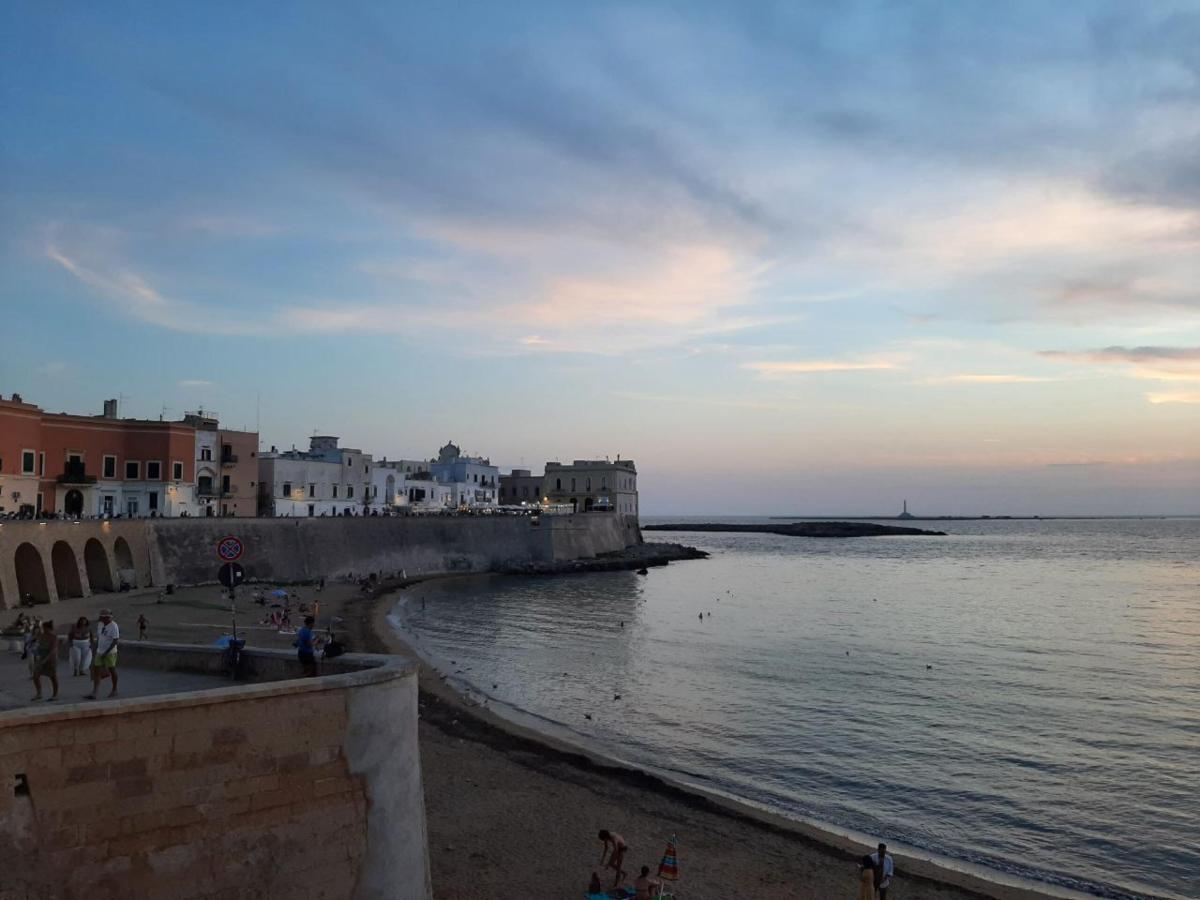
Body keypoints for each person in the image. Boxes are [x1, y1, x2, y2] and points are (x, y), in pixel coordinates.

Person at [86, 609, 120, 700]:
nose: (101, 619)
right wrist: (95, 649)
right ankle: (95, 692)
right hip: (100, 651)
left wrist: (106, 652)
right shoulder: (100, 625)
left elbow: (115, 641)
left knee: (112, 669)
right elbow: (99, 637)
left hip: (110, 652)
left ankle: (114, 689)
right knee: (96, 670)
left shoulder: (113, 626)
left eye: (103, 617)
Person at [31, 621, 59, 701]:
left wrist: (46, 659)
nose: (43, 629)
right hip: (41, 657)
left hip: (51, 658)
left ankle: (55, 694)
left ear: (48, 628)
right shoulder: (41, 636)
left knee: (53, 677)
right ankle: (39, 693)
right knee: (35, 675)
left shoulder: (54, 637)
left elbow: (53, 650)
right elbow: (37, 645)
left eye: (44, 628)